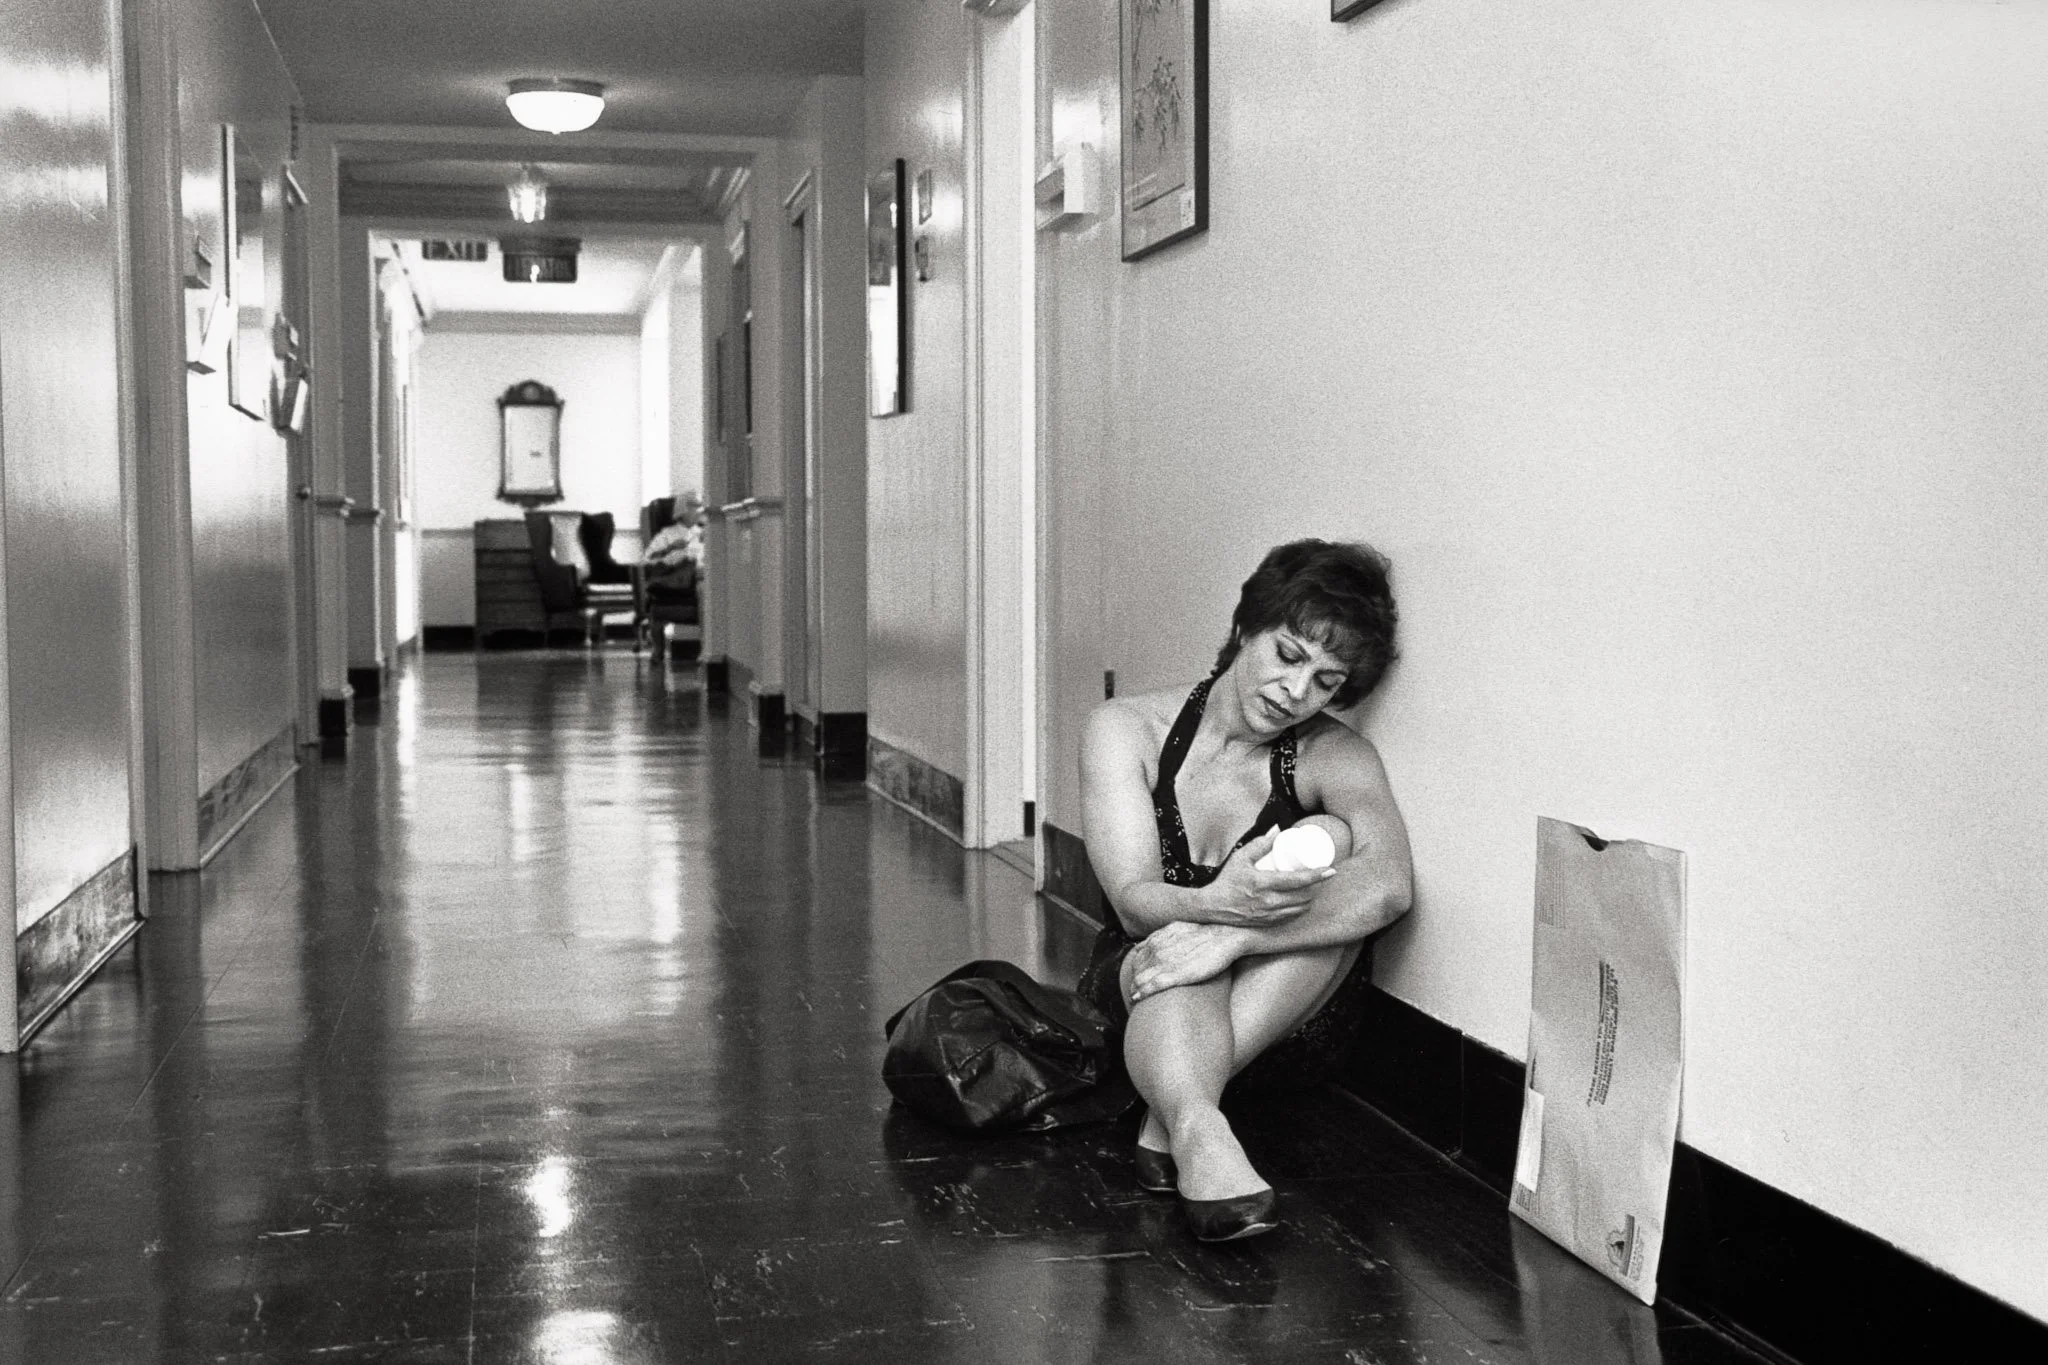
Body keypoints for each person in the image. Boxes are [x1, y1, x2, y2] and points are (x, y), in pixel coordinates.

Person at [1076, 539, 1413, 1241]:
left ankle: (1168, 1115)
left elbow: (1388, 888)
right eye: (1289, 655)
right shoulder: (1126, 729)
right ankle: (1199, 1128)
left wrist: (1231, 936)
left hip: (1283, 1018)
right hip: (1146, 981)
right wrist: (1208, 908)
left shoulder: (1333, 753)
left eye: (1326, 680)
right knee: (1175, 950)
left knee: (1335, 837)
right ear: (1243, 628)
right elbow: (1134, 900)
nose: (1296, 692)